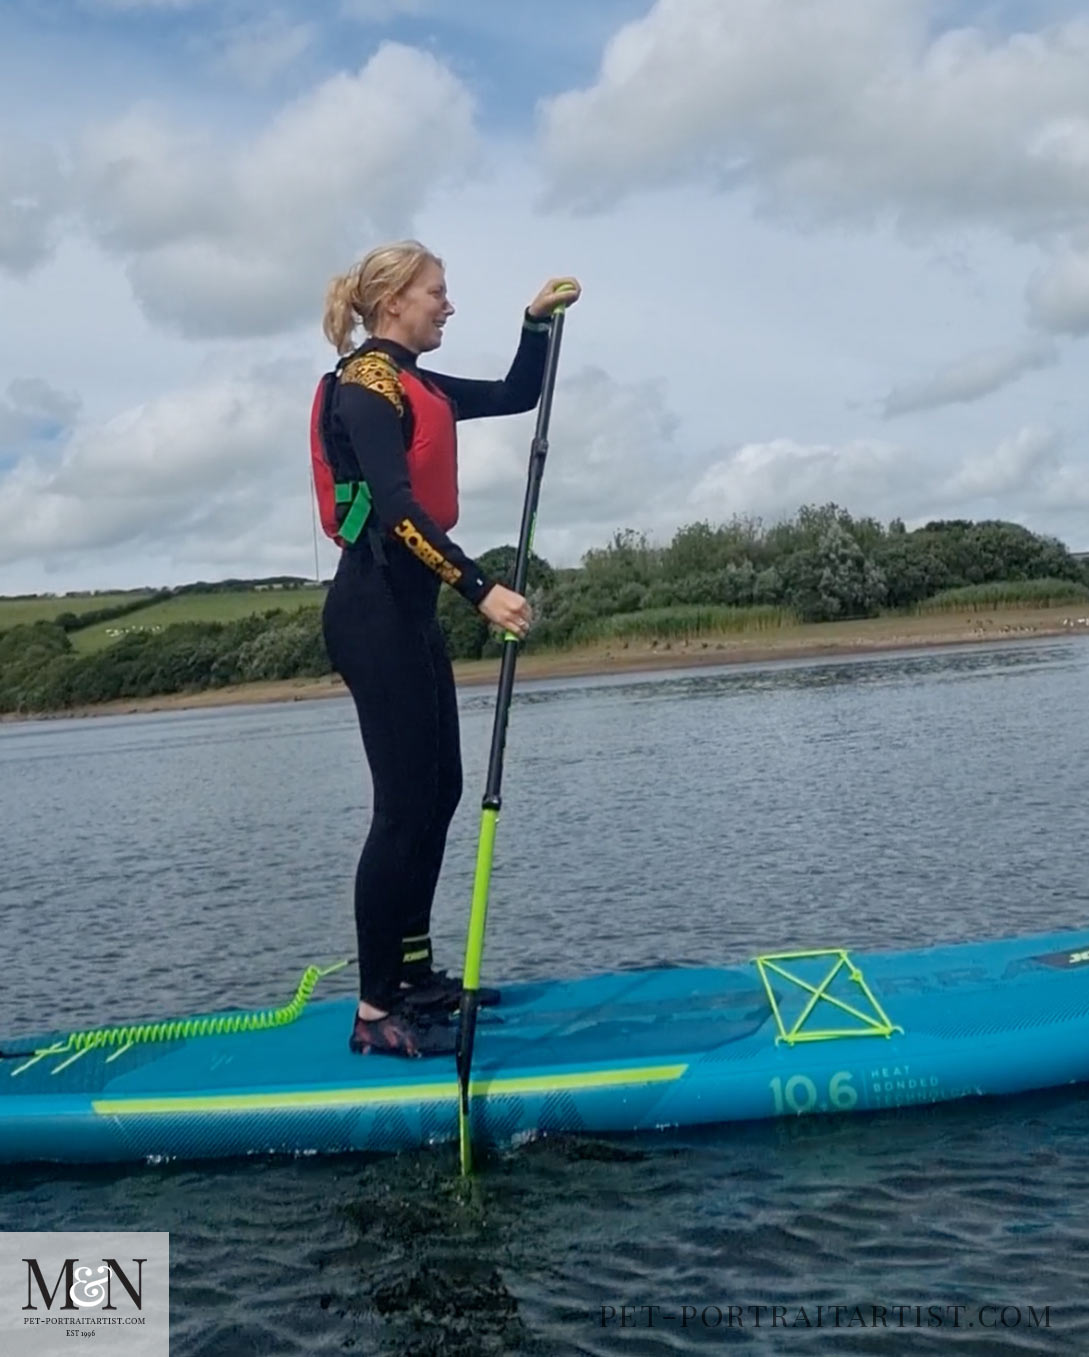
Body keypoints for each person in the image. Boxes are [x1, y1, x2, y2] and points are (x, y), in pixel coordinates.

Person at [320, 240, 581, 1058]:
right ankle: (371, 1012)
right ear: (393, 298)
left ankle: (414, 973)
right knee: (400, 808)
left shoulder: (418, 383)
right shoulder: (362, 390)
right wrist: (480, 589)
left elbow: (514, 392)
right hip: (370, 613)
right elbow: (395, 509)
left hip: (408, 613)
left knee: (439, 791)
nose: (447, 304)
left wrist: (534, 325)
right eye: (437, 291)